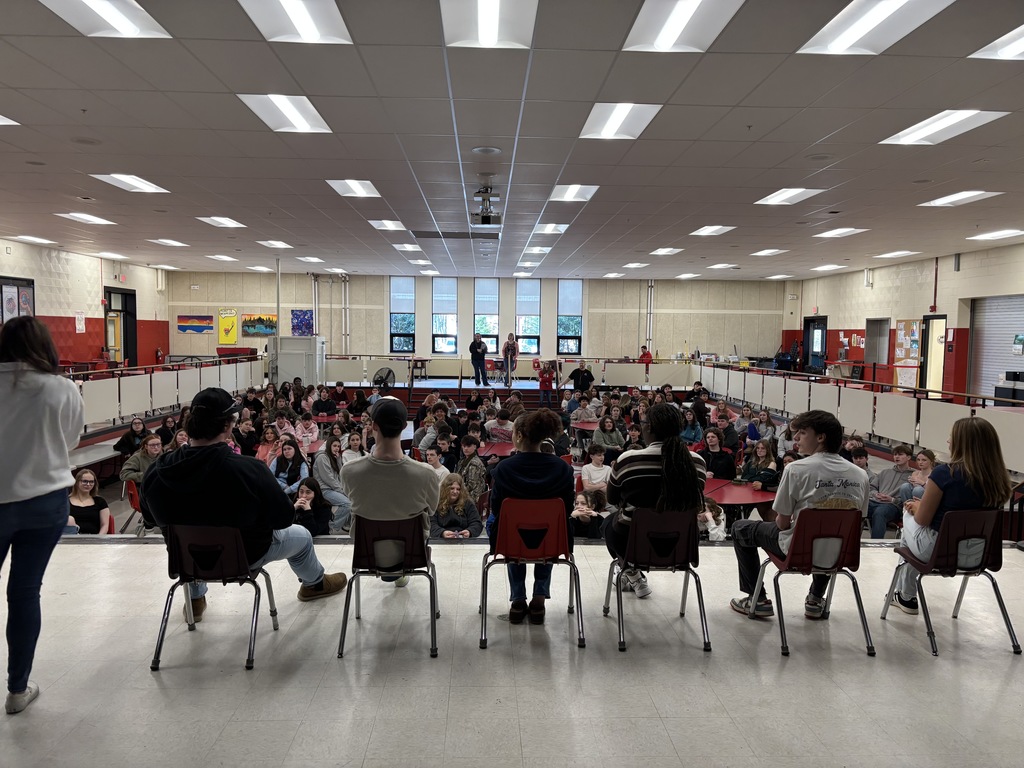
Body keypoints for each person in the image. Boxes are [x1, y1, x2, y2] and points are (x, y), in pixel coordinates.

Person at [142, 387, 348, 617]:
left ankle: (195, 598)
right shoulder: (249, 470)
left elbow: (150, 519)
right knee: (302, 536)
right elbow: (283, 518)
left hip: (188, 561)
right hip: (244, 558)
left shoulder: (157, 471)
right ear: (228, 427)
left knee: (190, 537)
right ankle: (315, 584)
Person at [0, 317, 85, 714]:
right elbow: (69, 440)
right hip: (44, 501)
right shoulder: (61, 388)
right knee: (24, 592)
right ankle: (17, 689)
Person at [729, 410, 869, 620]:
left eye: (802, 433)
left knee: (741, 528)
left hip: (798, 550)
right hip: (840, 553)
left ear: (820, 437)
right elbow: (858, 522)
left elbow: (783, 524)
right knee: (830, 535)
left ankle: (756, 600)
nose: (795, 438)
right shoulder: (860, 475)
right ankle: (815, 598)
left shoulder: (796, 469)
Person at [890, 418, 1012, 615]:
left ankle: (906, 595)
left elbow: (923, 520)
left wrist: (916, 507)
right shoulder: (998, 477)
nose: (948, 441)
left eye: (951, 437)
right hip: (979, 554)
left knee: (908, 516)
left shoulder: (944, 473)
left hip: (940, 552)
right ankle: (904, 594)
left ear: (962, 443)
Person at [605, 403, 707, 599]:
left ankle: (629, 570)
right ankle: (631, 573)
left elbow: (612, 499)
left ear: (648, 427)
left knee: (609, 522)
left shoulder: (628, 460)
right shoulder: (697, 462)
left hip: (632, 542)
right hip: (681, 544)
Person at [341, 397, 439, 588]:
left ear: (374, 426)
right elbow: (432, 509)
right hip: (412, 554)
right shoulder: (426, 473)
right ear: (404, 426)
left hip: (367, 554)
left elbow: (352, 498)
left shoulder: (349, 471)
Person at [490, 409, 574, 624]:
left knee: (511, 529)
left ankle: (518, 599)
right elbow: (566, 509)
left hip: (510, 542)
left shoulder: (504, 468)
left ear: (518, 436)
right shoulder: (563, 468)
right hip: (553, 542)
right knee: (549, 530)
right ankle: (539, 598)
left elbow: (497, 510)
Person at [867, 444, 915, 538]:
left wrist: (892, 499)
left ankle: (876, 545)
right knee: (857, 507)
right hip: (875, 501)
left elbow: (909, 498)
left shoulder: (913, 476)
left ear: (908, 457)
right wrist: (875, 494)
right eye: (895, 454)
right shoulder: (885, 472)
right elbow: (871, 487)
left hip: (893, 506)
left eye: (900, 454)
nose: (897, 457)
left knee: (880, 512)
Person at [312, 435, 353, 533]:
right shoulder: (322, 457)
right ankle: (332, 527)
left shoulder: (333, 458)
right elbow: (328, 479)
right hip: (324, 490)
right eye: (334, 446)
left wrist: (338, 460)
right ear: (329, 445)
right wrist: (342, 491)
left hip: (332, 489)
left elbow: (340, 475)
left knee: (352, 500)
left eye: (338, 446)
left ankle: (347, 525)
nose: (337, 448)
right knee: (347, 504)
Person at [431, 474, 483, 539]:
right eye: (452, 488)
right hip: (441, 539)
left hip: (463, 539)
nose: (455, 492)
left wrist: (469, 531)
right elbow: (431, 524)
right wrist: (442, 533)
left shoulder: (468, 503)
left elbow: (476, 523)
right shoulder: (436, 503)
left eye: (458, 489)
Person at [67, 469, 109, 535]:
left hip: (94, 538)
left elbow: (105, 525)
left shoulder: (100, 501)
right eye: (85, 481)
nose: (88, 484)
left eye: (91, 482)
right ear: (77, 482)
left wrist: (98, 539)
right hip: (73, 539)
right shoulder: (66, 502)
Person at [456, 435, 488, 503]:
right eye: (464, 446)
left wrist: (457, 492)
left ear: (475, 447)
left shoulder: (475, 463)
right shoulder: (462, 461)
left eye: (468, 446)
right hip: (463, 492)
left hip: (472, 496)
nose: (466, 449)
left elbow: (471, 485)